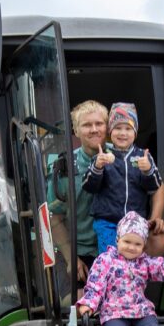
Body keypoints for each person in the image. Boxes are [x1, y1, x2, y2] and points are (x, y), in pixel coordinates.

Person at [83, 102, 164, 257]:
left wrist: (148, 171)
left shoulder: (143, 156)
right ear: (110, 131)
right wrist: (98, 167)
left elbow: (155, 186)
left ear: (135, 133)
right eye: (117, 128)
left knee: (134, 260)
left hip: (134, 224)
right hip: (107, 222)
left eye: (128, 129)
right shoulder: (101, 156)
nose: (123, 133)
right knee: (110, 260)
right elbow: (89, 186)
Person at [47, 100, 106, 287]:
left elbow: (157, 185)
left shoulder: (122, 158)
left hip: (119, 248)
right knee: (77, 300)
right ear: (76, 131)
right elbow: (54, 218)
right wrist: (71, 258)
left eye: (99, 123)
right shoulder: (64, 168)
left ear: (107, 127)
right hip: (80, 251)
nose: (94, 129)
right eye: (87, 125)